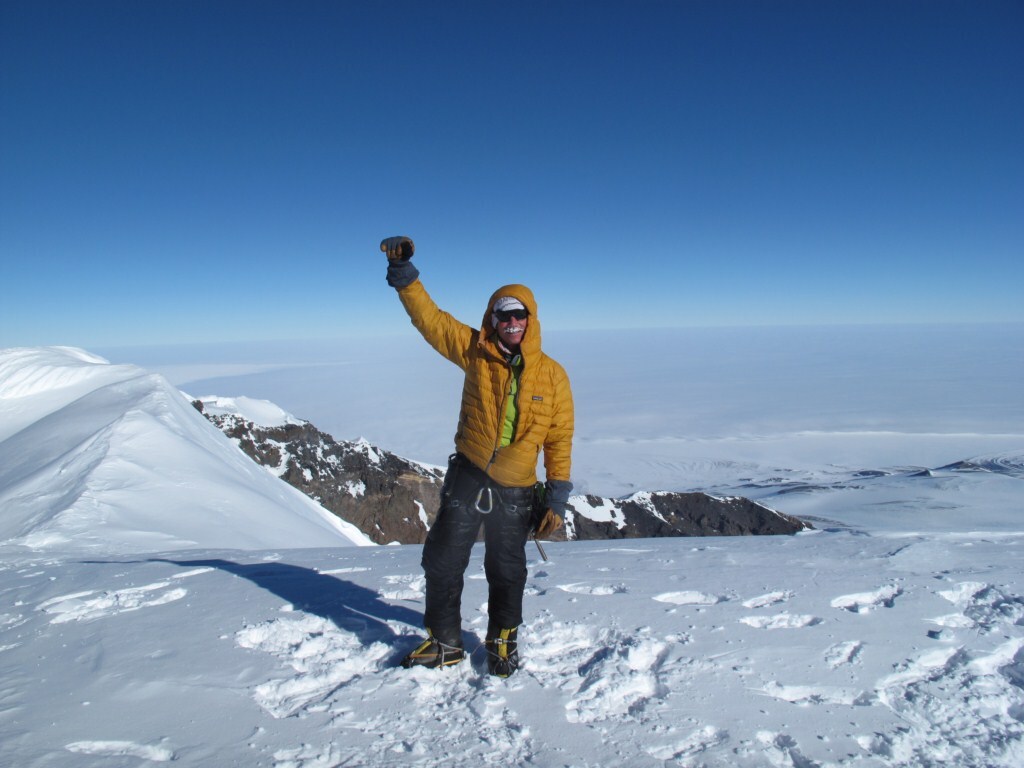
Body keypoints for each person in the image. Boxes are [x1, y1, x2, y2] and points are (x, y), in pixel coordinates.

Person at [381, 235, 574, 678]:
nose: (512, 322)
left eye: (519, 315)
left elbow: (559, 437)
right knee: (442, 560)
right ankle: (445, 641)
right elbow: (433, 322)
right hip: (469, 475)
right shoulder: (475, 352)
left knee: (506, 569)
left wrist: (557, 494)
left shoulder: (552, 375)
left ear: (531, 320)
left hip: (516, 487)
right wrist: (404, 276)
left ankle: (503, 641)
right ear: (493, 319)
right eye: (503, 315)